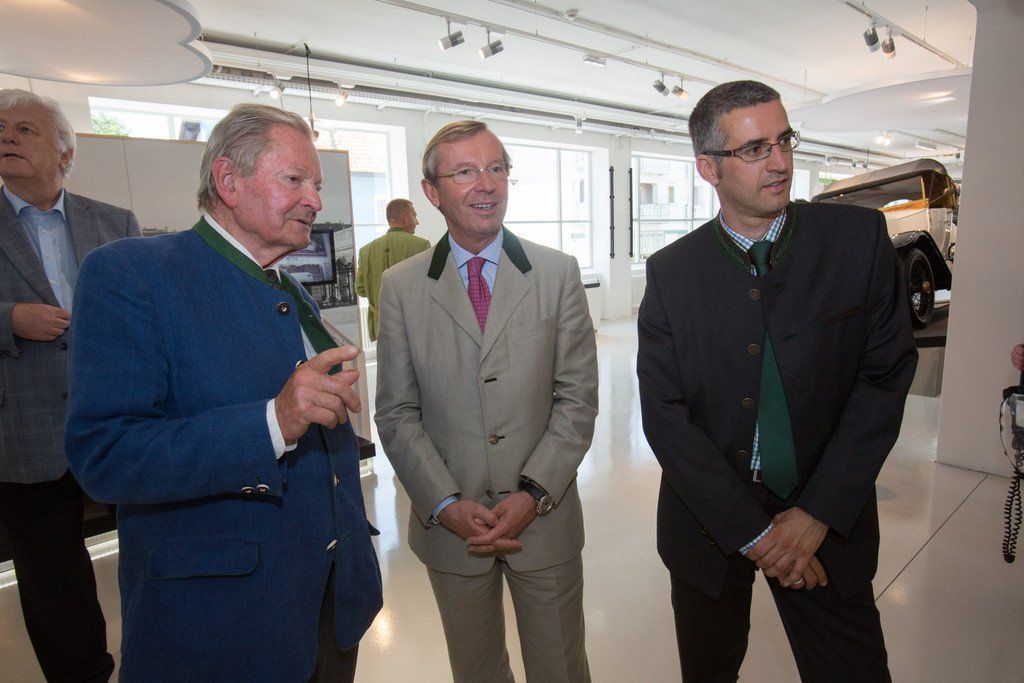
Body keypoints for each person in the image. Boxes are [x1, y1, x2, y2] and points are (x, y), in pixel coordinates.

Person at [64, 104, 382, 681]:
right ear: (228, 181)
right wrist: (272, 422)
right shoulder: (132, 273)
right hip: (223, 626)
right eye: (295, 180)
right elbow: (106, 456)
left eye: (317, 184)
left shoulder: (289, 290)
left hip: (331, 607)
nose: (314, 199)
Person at [637, 80, 918, 681]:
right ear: (708, 167)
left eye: (784, 140)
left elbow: (884, 377)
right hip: (709, 521)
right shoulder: (672, 273)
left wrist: (815, 513)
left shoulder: (857, 242)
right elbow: (665, 414)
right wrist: (755, 535)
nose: (780, 162)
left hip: (828, 513)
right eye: (754, 149)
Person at [374, 120, 598, 682]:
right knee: (476, 671)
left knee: (561, 668)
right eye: (466, 171)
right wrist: (443, 502)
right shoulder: (402, 286)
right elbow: (397, 412)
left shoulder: (556, 272)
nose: (486, 184)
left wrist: (535, 493)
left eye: (496, 168)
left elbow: (577, 398)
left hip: (543, 520)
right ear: (432, 192)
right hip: (453, 529)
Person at [0, 88, 140, 682]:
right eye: (0, 128)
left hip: (117, 417)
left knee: (150, 548)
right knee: (51, 579)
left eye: (24, 129)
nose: (7, 137)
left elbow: (145, 314)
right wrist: (9, 318)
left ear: (65, 153)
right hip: (24, 428)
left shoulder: (114, 222)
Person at [354, 198, 429, 342]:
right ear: (405, 217)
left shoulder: (366, 251)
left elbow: (360, 290)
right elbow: (427, 288)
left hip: (380, 327)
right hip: (412, 327)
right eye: (415, 215)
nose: (417, 222)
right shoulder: (421, 245)